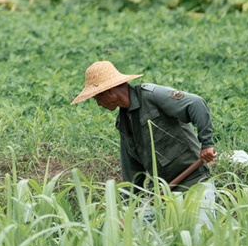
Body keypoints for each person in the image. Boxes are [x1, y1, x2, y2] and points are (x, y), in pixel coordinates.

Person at [73, 60, 215, 191]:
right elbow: (131, 170)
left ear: (109, 92)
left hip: (194, 181)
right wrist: (131, 203)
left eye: (97, 98)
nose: (99, 104)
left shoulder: (152, 96)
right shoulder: (123, 123)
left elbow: (196, 104)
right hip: (164, 191)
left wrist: (207, 144)